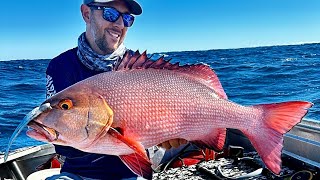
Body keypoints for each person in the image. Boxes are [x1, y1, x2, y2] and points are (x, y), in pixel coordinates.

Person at [45, 0, 187, 179]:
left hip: (130, 173)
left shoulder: (141, 69)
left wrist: (163, 136)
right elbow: (63, 143)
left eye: (127, 18)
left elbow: (150, 137)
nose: (120, 24)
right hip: (77, 173)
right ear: (87, 14)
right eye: (110, 14)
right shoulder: (60, 67)